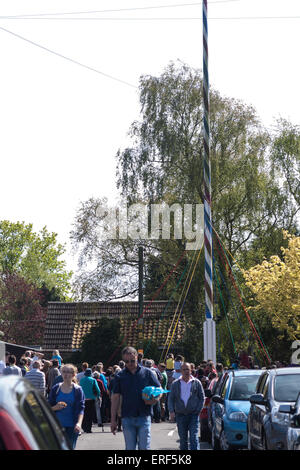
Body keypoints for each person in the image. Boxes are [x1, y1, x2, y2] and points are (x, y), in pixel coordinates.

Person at [110, 346, 161, 450]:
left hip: (144, 415)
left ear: (137, 357)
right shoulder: (120, 376)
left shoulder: (147, 373)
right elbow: (115, 398)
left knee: (144, 447)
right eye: (126, 361)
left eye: (132, 360)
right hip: (127, 417)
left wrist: (155, 399)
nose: (129, 363)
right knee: (130, 448)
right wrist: (113, 420)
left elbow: (159, 389)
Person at [168, 362, 205, 451]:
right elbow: (171, 398)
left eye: (187, 369)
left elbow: (202, 397)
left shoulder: (196, 382)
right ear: (180, 371)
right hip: (180, 415)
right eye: (184, 369)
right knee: (183, 440)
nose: (186, 371)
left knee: (193, 438)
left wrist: (198, 410)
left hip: (193, 415)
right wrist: (171, 411)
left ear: (191, 370)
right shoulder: (175, 384)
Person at [48, 363, 85, 449]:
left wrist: (79, 424)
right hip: (57, 426)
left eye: (68, 372)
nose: (66, 374)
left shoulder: (78, 390)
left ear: (73, 374)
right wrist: (55, 407)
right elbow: (48, 407)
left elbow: (81, 409)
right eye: (64, 372)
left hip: (72, 426)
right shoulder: (56, 388)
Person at [80, 368, 100, 433]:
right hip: (91, 399)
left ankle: (84, 426)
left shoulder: (81, 380)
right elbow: (97, 390)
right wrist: (97, 396)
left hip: (83, 399)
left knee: (84, 413)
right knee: (90, 414)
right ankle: (88, 428)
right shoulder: (93, 380)